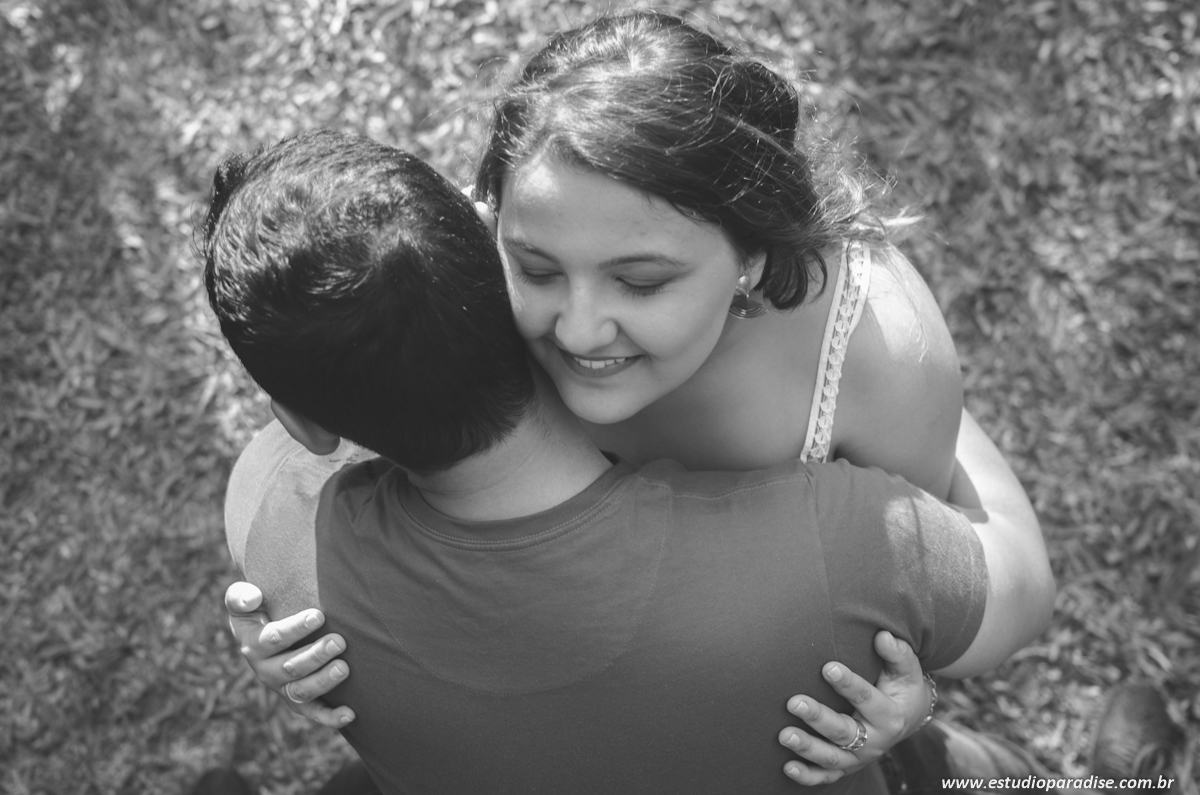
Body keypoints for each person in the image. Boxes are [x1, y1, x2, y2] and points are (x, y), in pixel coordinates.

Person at [225, 10, 1048, 782]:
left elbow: (943, 587)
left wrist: (907, 702)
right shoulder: (467, 278)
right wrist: (290, 612)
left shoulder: (875, 362)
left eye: (642, 282)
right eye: (538, 268)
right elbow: (378, 387)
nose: (580, 331)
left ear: (753, 258)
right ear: (488, 220)